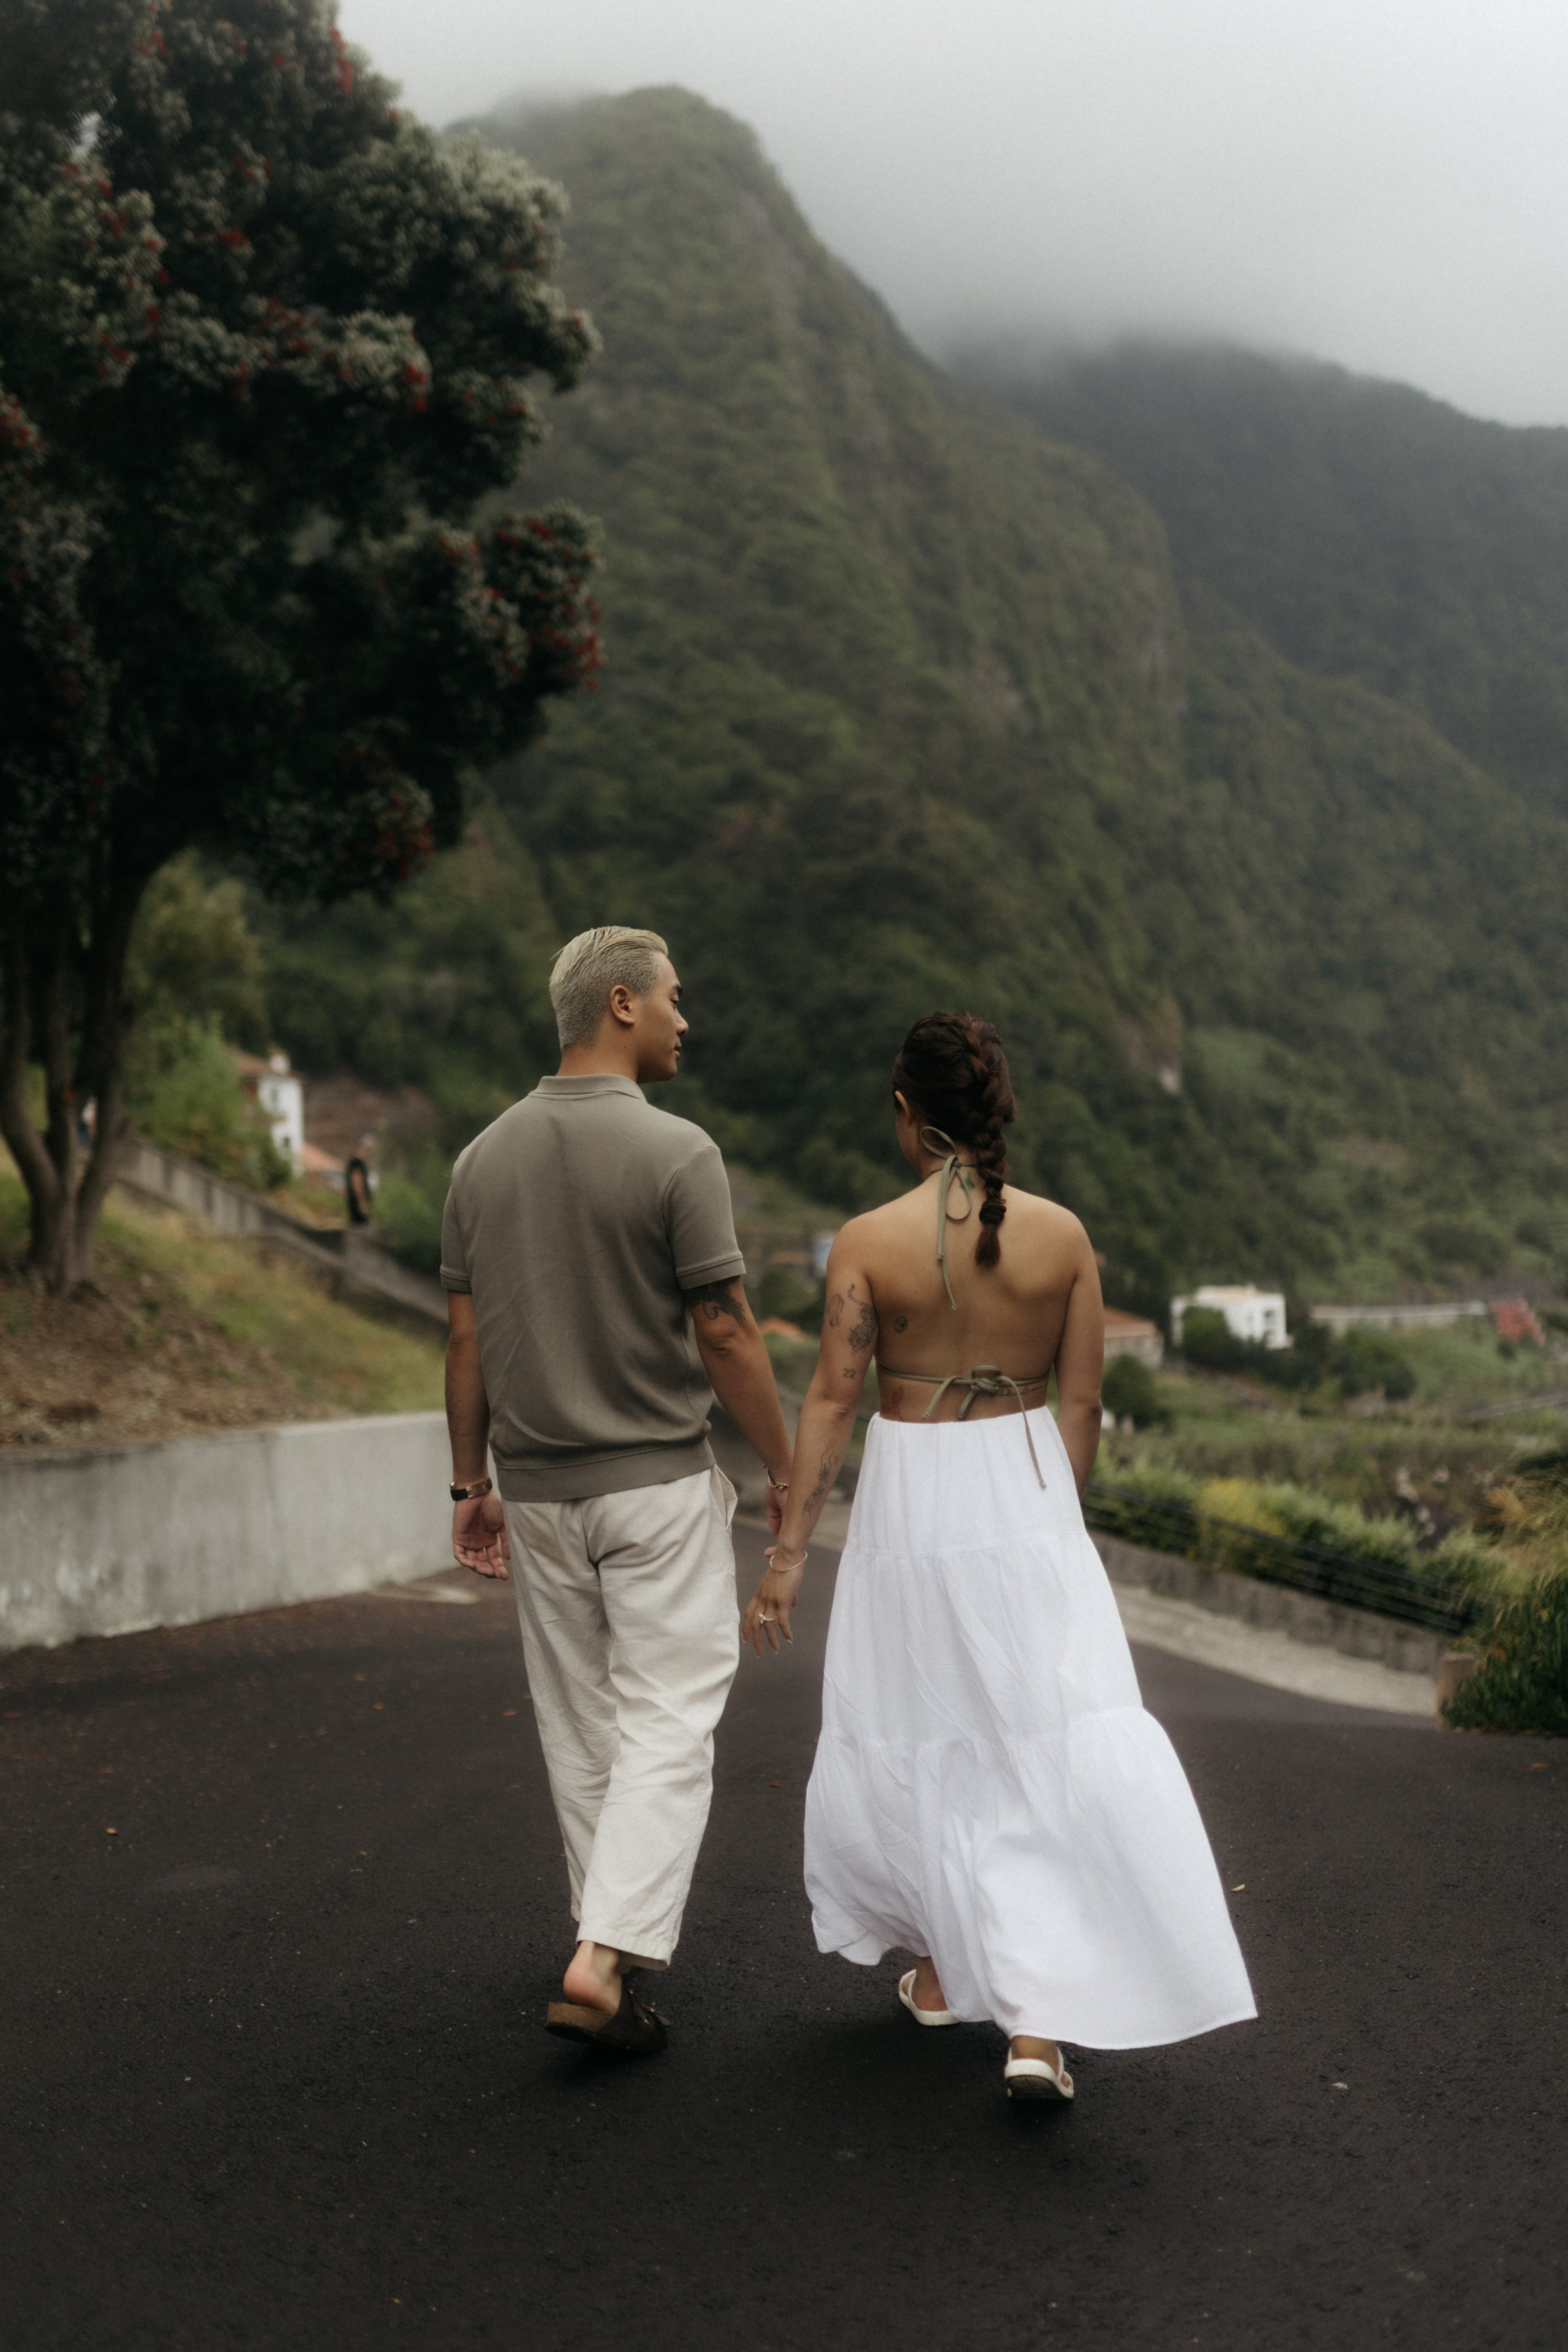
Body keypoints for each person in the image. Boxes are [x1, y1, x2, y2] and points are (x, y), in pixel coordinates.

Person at [744, 1012, 1255, 2101]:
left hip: (911, 1498)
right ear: (1000, 1109)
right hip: (1026, 1489)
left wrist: (788, 1555)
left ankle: (945, 1970)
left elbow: (833, 1401)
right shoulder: (1064, 1239)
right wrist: (1045, 1526)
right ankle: (1031, 2024)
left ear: (905, 1113)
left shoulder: (866, 1242)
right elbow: (1084, 1404)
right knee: (1035, 1735)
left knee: (926, 1728)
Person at [441, 926, 794, 2056]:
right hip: (654, 1485)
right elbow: (727, 1329)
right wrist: (789, 1468)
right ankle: (605, 1956)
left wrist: (468, 1482)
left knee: (583, 1728)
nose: (688, 1019)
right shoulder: (681, 1152)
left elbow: (463, 1340)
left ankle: (612, 1966)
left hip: (536, 1491)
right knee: (670, 1719)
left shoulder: (479, 1160)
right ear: (624, 1005)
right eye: (675, 998)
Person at [344, 1132, 375, 1226]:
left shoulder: (359, 1163)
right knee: (359, 1225)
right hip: (357, 1202)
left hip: (359, 1201)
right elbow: (357, 1182)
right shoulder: (357, 1163)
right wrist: (362, 1201)